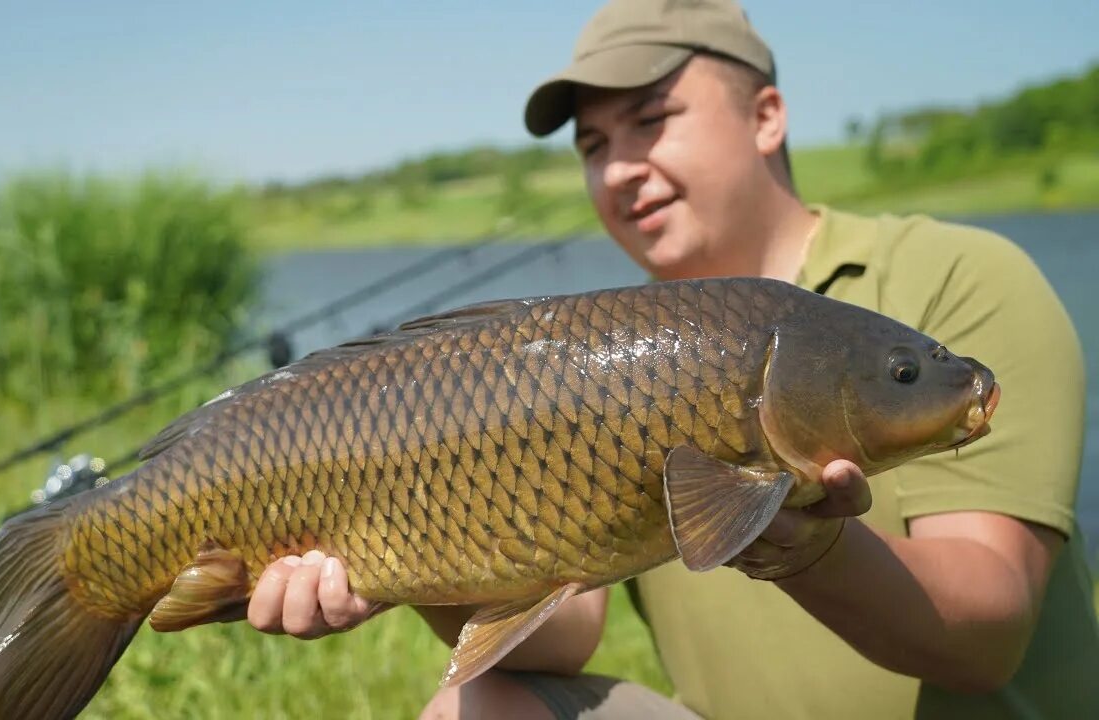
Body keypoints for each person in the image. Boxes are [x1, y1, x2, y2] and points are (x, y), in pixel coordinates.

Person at [245, 1, 1099, 717]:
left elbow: (991, 629)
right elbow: (571, 627)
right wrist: (413, 561)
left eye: (652, 119)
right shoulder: (595, 358)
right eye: (592, 144)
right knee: (476, 709)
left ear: (767, 115)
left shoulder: (955, 275)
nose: (620, 167)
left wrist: (807, 549)